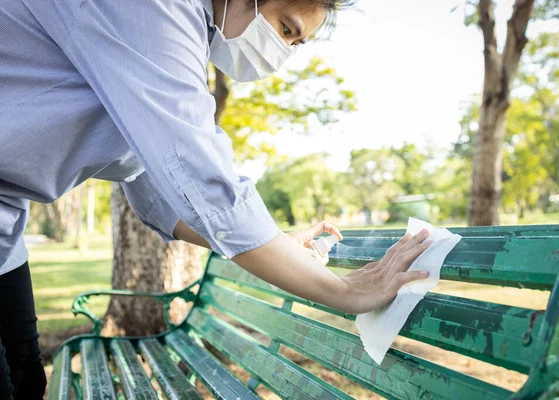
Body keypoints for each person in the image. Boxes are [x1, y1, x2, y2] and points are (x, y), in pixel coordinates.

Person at [0, 0, 431, 397]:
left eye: (295, 44)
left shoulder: (173, 40)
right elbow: (201, 175)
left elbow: (160, 193)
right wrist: (345, 293)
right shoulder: (155, 9)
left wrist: (277, 244)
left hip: (7, 232)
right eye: (285, 29)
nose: (282, 54)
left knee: (26, 378)